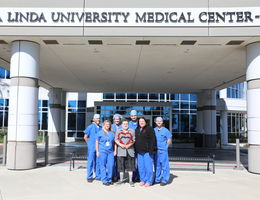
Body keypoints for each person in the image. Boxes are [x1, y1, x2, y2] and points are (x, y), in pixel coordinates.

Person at [135, 117, 156, 187]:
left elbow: (153, 140)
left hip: (147, 152)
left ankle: (149, 181)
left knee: (148, 167)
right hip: (139, 152)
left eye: (143, 121)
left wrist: (151, 150)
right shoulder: (137, 129)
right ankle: (142, 180)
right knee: (141, 167)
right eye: (140, 121)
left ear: (145, 122)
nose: (141, 122)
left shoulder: (149, 128)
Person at [115, 120, 135, 187]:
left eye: (126, 123)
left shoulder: (132, 131)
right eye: (124, 124)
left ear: (128, 124)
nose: (125, 125)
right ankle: (121, 180)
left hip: (130, 151)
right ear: (122, 124)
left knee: (130, 166)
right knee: (121, 166)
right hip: (121, 151)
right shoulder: (118, 131)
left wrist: (129, 145)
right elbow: (116, 139)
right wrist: (121, 145)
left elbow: (133, 140)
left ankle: (130, 180)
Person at [96, 120, 116, 186]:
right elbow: (97, 142)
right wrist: (97, 151)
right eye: (106, 124)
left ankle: (109, 179)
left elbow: (115, 143)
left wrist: (115, 151)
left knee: (111, 165)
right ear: (103, 125)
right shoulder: (100, 133)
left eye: (109, 125)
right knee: (103, 165)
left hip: (110, 152)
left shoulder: (112, 133)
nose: (107, 126)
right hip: (102, 151)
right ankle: (104, 180)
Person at [154, 117, 172, 186]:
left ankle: (165, 180)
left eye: (160, 121)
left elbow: (169, 139)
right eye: (157, 121)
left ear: (162, 122)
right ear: (155, 122)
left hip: (163, 151)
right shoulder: (154, 130)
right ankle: (157, 179)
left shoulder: (166, 130)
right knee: (157, 165)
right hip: (156, 151)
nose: (159, 122)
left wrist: (165, 147)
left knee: (164, 166)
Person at [83, 114, 102, 183]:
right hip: (92, 148)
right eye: (97, 118)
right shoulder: (90, 127)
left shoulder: (100, 128)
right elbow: (85, 137)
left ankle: (98, 176)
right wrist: (89, 144)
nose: (98, 120)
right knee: (90, 162)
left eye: (99, 118)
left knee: (98, 162)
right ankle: (89, 176)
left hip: (98, 148)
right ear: (93, 119)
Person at [111, 113, 123, 181]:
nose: (117, 120)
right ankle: (113, 175)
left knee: (119, 162)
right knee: (112, 162)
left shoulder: (122, 126)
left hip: (121, 147)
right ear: (113, 120)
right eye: (115, 119)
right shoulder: (111, 126)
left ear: (120, 120)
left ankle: (118, 176)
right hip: (112, 147)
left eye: (118, 119)